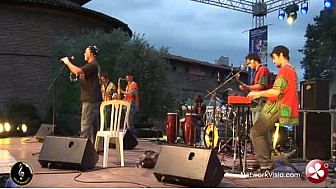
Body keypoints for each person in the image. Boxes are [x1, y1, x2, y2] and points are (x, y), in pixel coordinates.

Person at [247, 45, 299, 171]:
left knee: (256, 132)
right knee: (261, 132)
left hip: (278, 105)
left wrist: (258, 94)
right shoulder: (291, 69)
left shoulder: (285, 69)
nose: (274, 61)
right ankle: (265, 161)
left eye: (275, 58)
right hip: (280, 104)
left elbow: (276, 92)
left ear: (281, 55)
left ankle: (265, 163)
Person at [61, 45, 102, 145]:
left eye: (85, 52)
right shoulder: (94, 65)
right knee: (94, 125)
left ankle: (83, 148)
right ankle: (98, 147)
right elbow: (85, 76)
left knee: (85, 125)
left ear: (91, 53)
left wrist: (67, 62)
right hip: (94, 98)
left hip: (90, 99)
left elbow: (78, 70)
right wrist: (81, 76)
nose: (84, 54)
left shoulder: (92, 65)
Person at [235, 52, 272, 124]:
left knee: (259, 129)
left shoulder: (263, 69)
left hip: (262, 104)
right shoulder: (256, 72)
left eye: (249, 63)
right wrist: (242, 84)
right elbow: (252, 91)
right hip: (256, 105)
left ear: (253, 61)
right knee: (256, 128)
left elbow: (262, 85)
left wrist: (247, 86)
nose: (248, 66)